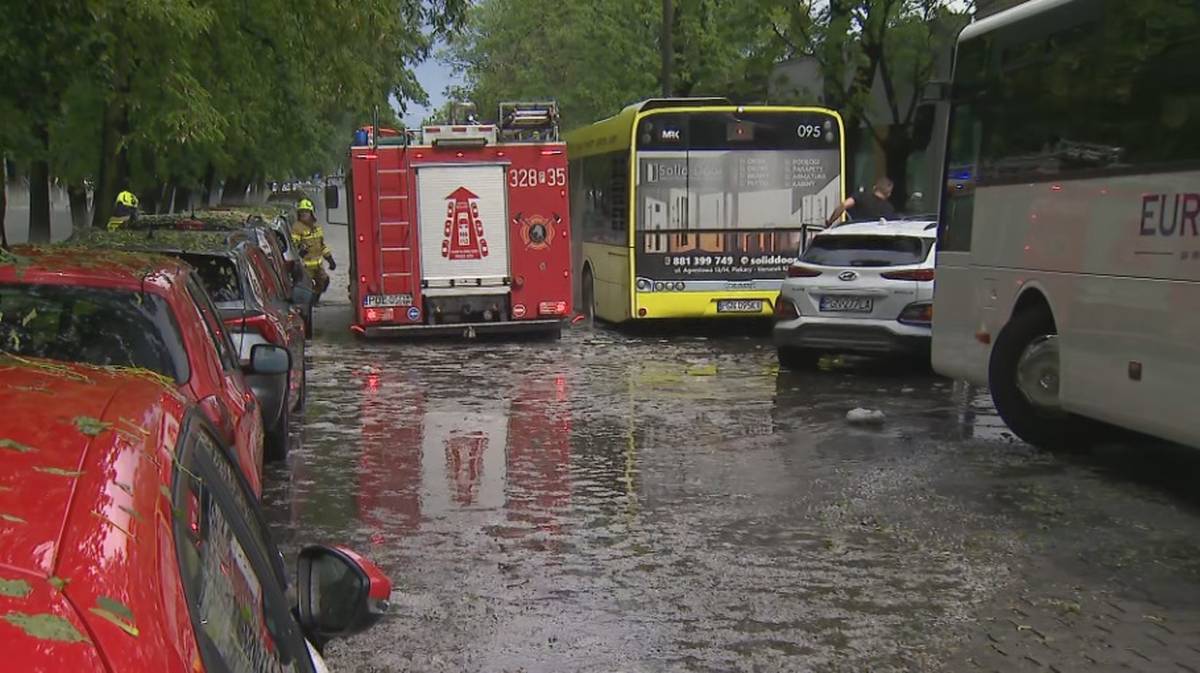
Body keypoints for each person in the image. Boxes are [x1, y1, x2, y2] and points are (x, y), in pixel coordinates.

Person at [291, 197, 336, 296]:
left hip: (317, 265)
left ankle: (316, 297)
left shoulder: (316, 228)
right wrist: (300, 250)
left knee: (324, 281)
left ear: (311, 213)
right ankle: (310, 300)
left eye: (306, 211)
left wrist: (329, 259)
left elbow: (321, 245)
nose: (303, 214)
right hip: (305, 266)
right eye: (301, 212)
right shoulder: (297, 228)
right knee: (307, 286)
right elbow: (293, 244)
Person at [826, 177, 896, 225]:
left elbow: (844, 205)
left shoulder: (861, 196)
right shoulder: (889, 208)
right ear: (889, 193)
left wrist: (830, 222)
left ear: (874, 187)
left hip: (856, 235)